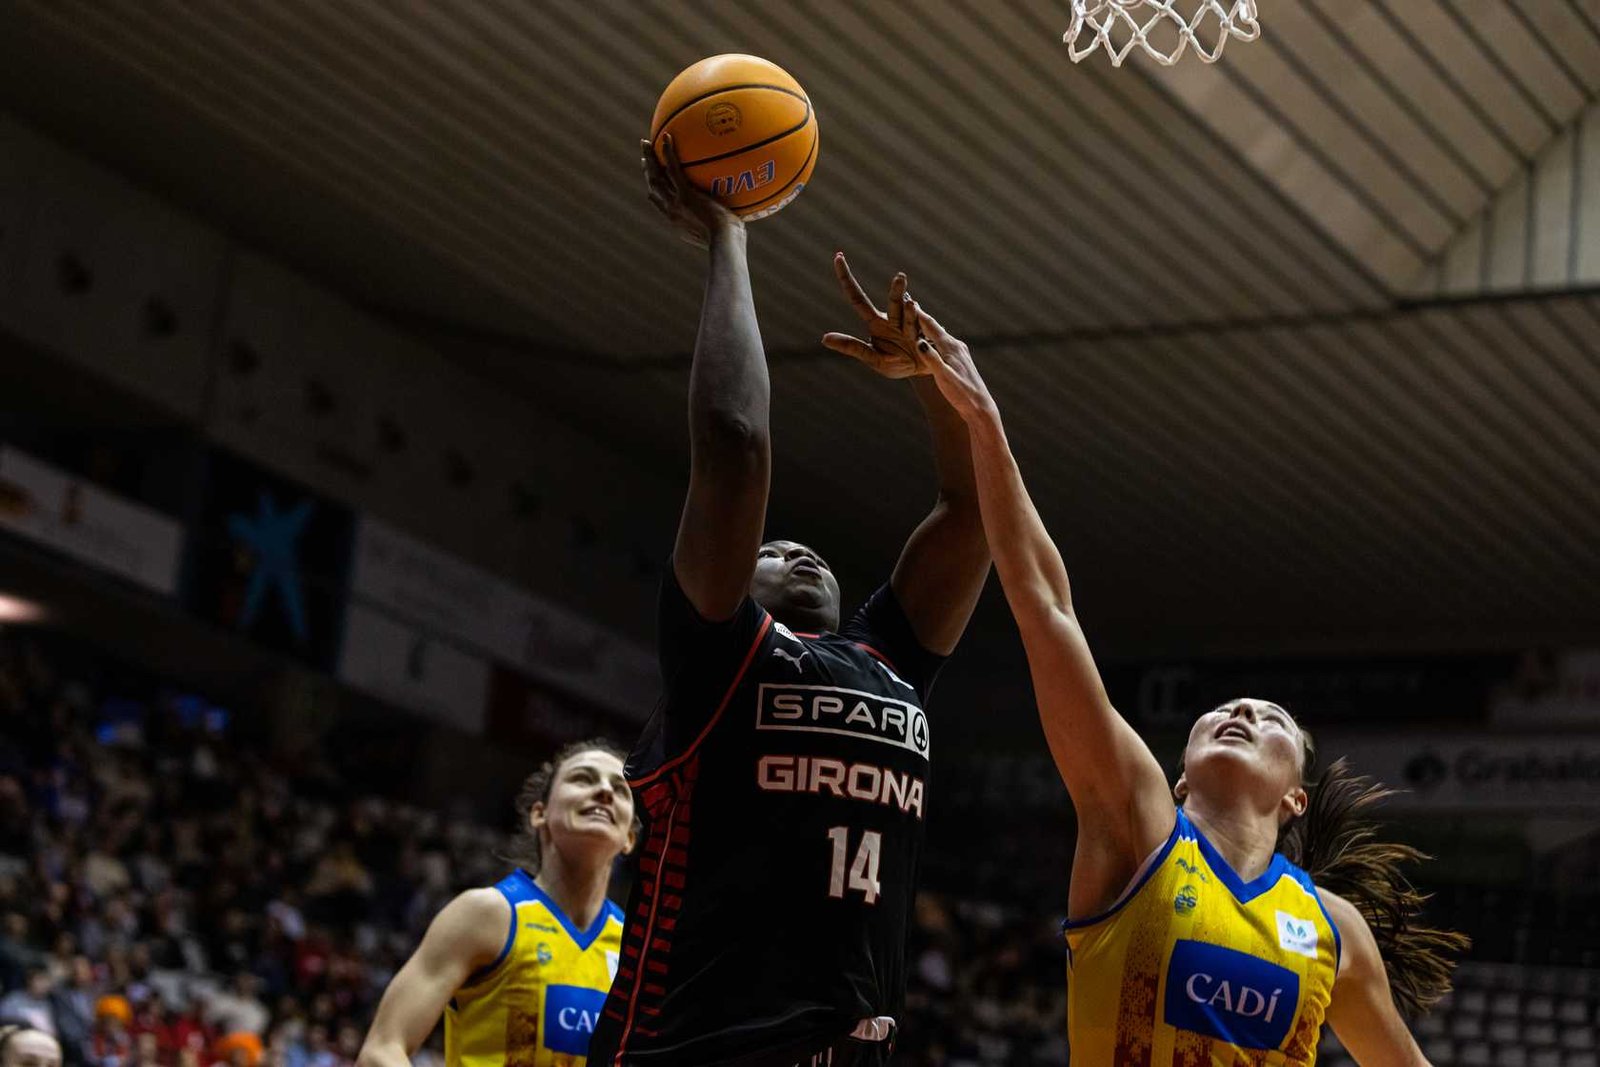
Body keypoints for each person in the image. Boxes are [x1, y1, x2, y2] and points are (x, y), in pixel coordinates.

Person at [894, 304, 1467, 1064]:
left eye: (1270, 719)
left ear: (1295, 793)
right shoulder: (1135, 826)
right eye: (1227, 708)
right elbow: (1046, 605)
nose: (1241, 710)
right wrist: (984, 420)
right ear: (1178, 771)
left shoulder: (1331, 930)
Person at [587, 139, 991, 1067]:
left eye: (805, 548)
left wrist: (938, 378)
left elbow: (973, 512)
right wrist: (727, 234)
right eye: (769, 549)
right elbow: (734, 443)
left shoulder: (890, 656)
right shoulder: (721, 656)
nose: (795, 548)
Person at [356, 741, 635, 1067]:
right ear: (539, 813)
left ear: (630, 837)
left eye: (621, 789)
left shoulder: (638, 951)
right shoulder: (485, 914)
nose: (604, 791)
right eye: (583, 779)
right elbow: (383, 1049)